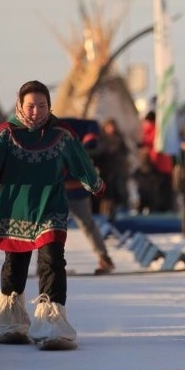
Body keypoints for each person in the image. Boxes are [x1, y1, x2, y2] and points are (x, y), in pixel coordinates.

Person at [0, 80, 105, 349]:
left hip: (50, 205)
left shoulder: (61, 134)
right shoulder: (6, 132)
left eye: (42, 106)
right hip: (16, 206)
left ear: (49, 106)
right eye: (31, 106)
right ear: (20, 105)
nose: (36, 112)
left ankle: (52, 323)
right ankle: (11, 321)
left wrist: (94, 183)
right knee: (15, 264)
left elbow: (80, 160)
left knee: (53, 260)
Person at [57, 116, 117, 275]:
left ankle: (104, 258)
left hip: (76, 189)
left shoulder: (67, 124)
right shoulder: (37, 131)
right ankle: (48, 264)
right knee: (51, 228)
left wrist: (86, 143)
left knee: (87, 225)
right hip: (56, 191)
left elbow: (92, 126)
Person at [93, 118, 131, 220]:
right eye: (109, 127)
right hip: (105, 172)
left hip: (117, 171)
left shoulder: (119, 139)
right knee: (105, 195)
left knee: (118, 194)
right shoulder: (101, 139)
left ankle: (116, 215)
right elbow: (98, 154)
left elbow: (124, 153)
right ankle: (104, 216)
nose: (111, 129)